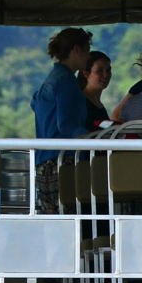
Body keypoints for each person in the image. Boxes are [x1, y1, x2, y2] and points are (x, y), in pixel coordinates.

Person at [32, 27, 95, 213]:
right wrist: (93, 137)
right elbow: (67, 125)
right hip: (61, 161)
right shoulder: (66, 82)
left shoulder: (51, 80)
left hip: (44, 160)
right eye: (87, 51)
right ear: (76, 50)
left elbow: (34, 103)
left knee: (52, 218)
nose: (88, 57)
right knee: (67, 218)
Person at [77, 50, 114, 127]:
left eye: (108, 70)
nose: (105, 75)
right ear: (86, 73)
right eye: (99, 71)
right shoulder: (81, 103)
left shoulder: (96, 102)